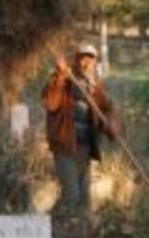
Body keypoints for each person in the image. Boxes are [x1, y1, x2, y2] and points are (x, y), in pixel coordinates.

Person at [42, 44, 119, 213]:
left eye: (90, 59)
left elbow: (109, 108)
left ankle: (77, 233)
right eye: (83, 58)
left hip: (85, 148)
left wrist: (111, 123)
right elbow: (49, 102)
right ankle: (49, 225)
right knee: (71, 195)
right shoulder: (63, 82)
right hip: (65, 146)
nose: (86, 63)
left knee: (84, 199)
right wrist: (60, 75)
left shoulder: (95, 87)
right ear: (76, 60)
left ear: (95, 62)